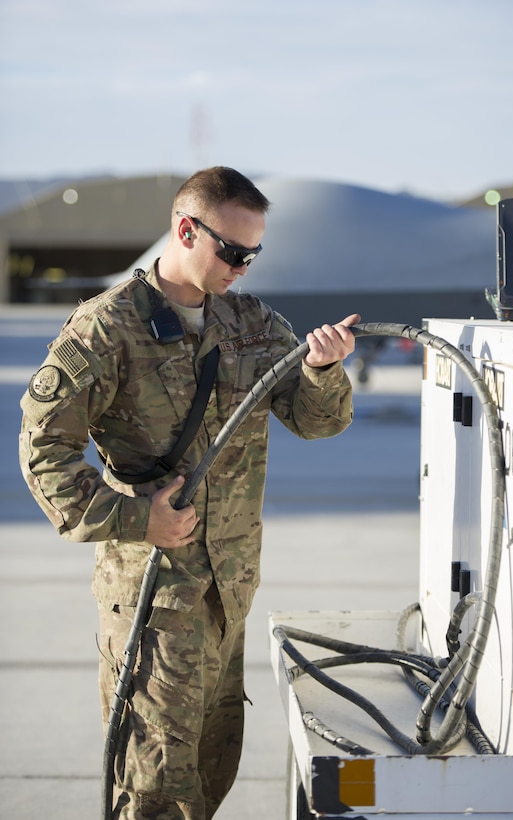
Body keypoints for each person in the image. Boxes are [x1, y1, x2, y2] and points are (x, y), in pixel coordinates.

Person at [19, 166, 360, 819]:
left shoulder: (251, 324)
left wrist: (321, 369)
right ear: (185, 229)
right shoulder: (107, 328)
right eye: (233, 252)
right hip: (152, 603)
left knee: (210, 770)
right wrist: (135, 517)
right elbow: (44, 454)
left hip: (225, 598)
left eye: (254, 253)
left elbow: (317, 423)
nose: (243, 267)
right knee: (153, 790)